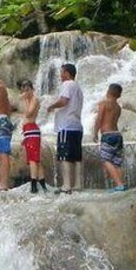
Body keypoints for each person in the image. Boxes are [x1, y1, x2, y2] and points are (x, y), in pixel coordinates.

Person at [46, 63, 83, 194]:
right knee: (76, 157)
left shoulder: (67, 85)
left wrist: (51, 106)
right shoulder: (78, 87)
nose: (60, 75)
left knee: (65, 156)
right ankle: (78, 184)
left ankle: (66, 185)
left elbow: (64, 101)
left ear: (67, 73)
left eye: (61, 72)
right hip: (77, 126)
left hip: (66, 126)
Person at [94, 83, 126, 192]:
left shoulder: (104, 104)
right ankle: (120, 184)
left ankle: (119, 184)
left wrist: (95, 133)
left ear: (108, 92)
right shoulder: (118, 107)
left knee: (105, 160)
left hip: (108, 136)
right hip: (117, 135)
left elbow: (99, 119)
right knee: (117, 162)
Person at [18, 80, 47, 193]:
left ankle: (33, 185)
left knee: (33, 159)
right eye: (24, 90)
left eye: (28, 90)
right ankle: (43, 185)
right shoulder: (28, 100)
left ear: (32, 89)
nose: (26, 92)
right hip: (28, 131)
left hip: (32, 130)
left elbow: (29, 113)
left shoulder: (34, 99)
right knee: (35, 160)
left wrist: (24, 100)